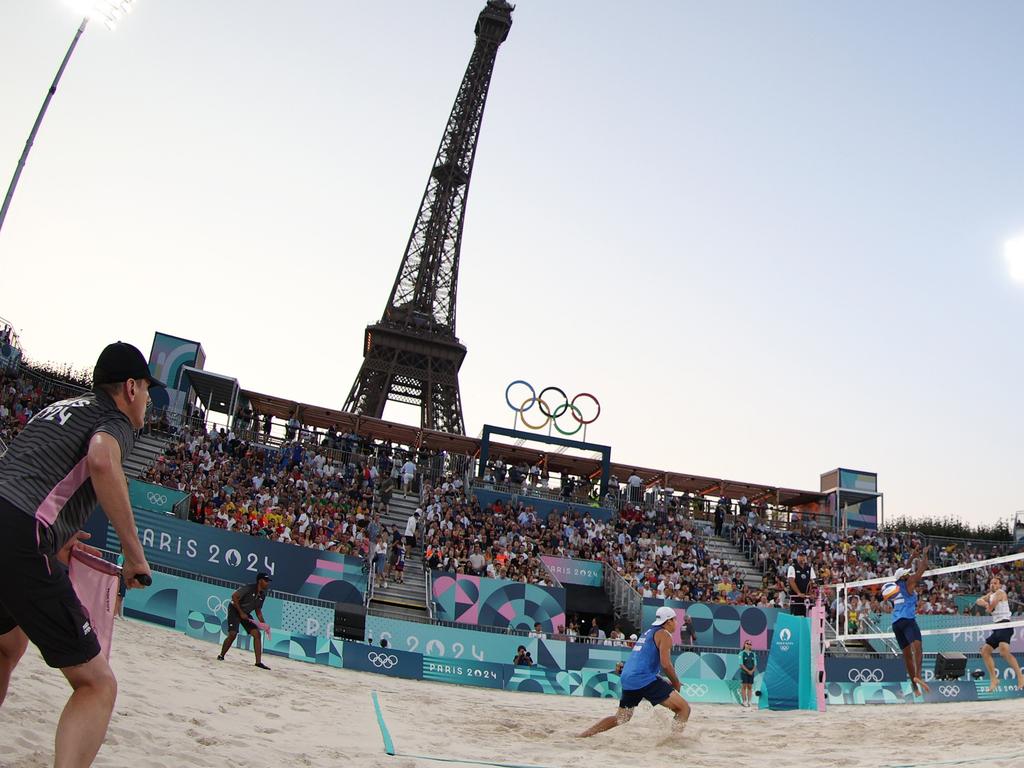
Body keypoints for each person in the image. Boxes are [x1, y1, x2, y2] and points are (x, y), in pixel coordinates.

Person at [0, 341, 158, 767]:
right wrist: (134, 554)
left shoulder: (63, 407)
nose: (147, 399)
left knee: (6, 643)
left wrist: (55, 534)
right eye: (146, 389)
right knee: (97, 685)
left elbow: (29, 472)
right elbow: (102, 461)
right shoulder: (116, 420)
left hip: (13, 523)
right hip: (19, 536)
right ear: (129, 388)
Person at [578, 606, 691, 738]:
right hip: (643, 679)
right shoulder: (664, 634)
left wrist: (662, 680)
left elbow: (641, 661)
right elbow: (666, 664)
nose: (676, 623)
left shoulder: (647, 633)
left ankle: (584, 735)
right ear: (668, 621)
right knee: (684, 709)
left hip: (629, 678)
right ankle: (674, 740)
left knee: (621, 717)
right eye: (675, 620)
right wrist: (676, 683)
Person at [890, 550, 930, 696]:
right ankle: (918, 676)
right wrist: (925, 555)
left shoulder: (893, 588)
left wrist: (912, 557)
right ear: (904, 577)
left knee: (907, 655)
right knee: (918, 649)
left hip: (896, 623)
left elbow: (903, 571)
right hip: (907, 620)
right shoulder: (909, 583)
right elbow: (923, 568)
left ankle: (914, 686)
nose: (909, 574)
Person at [976, 576, 1024, 692]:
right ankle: (994, 679)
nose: (993, 585)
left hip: (1005, 625)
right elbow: (978, 601)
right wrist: (985, 603)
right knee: (985, 651)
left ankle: (1020, 677)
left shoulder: (1000, 593)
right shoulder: (990, 595)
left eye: (995, 583)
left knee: (1004, 652)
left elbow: (991, 607)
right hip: (997, 627)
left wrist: (987, 606)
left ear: (1000, 585)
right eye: (991, 583)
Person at [217, 572, 272, 670]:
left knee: (257, 634)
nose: (268, 583)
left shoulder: (263, 595)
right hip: (235, 609)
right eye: (266, 581)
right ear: (260, 581)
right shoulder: (249, 588)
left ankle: (258, 662)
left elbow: (258, 611)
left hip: (246, 613)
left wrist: (264, 624)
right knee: (233, 634)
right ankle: (221, 655)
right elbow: (234, 596)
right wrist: (241, 612)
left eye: (268, 581)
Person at [787, 551, 816, 616]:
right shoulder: (792, 567)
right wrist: (798, 593)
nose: (802, 558)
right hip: (796, 597)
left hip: (807, 597)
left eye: (804, 556)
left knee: (807, 616)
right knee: (796, 616)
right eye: (800, 556)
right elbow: (791, 581)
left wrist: (811, 593)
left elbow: (812, 582)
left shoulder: (809, 568)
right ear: (797, 557)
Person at [738, 639, 756, 707]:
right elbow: (741, 664)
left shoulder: (753, 654)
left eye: (750, 644)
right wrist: (748, 671)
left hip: (751, 673)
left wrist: (752, 671)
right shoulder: (741, 653)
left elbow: (755, 664)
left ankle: (749, 701)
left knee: (750, 687)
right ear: (744, 644)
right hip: (744, 672)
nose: (748, 645)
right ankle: (744, 701)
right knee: (744, 687)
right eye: (747, 643)